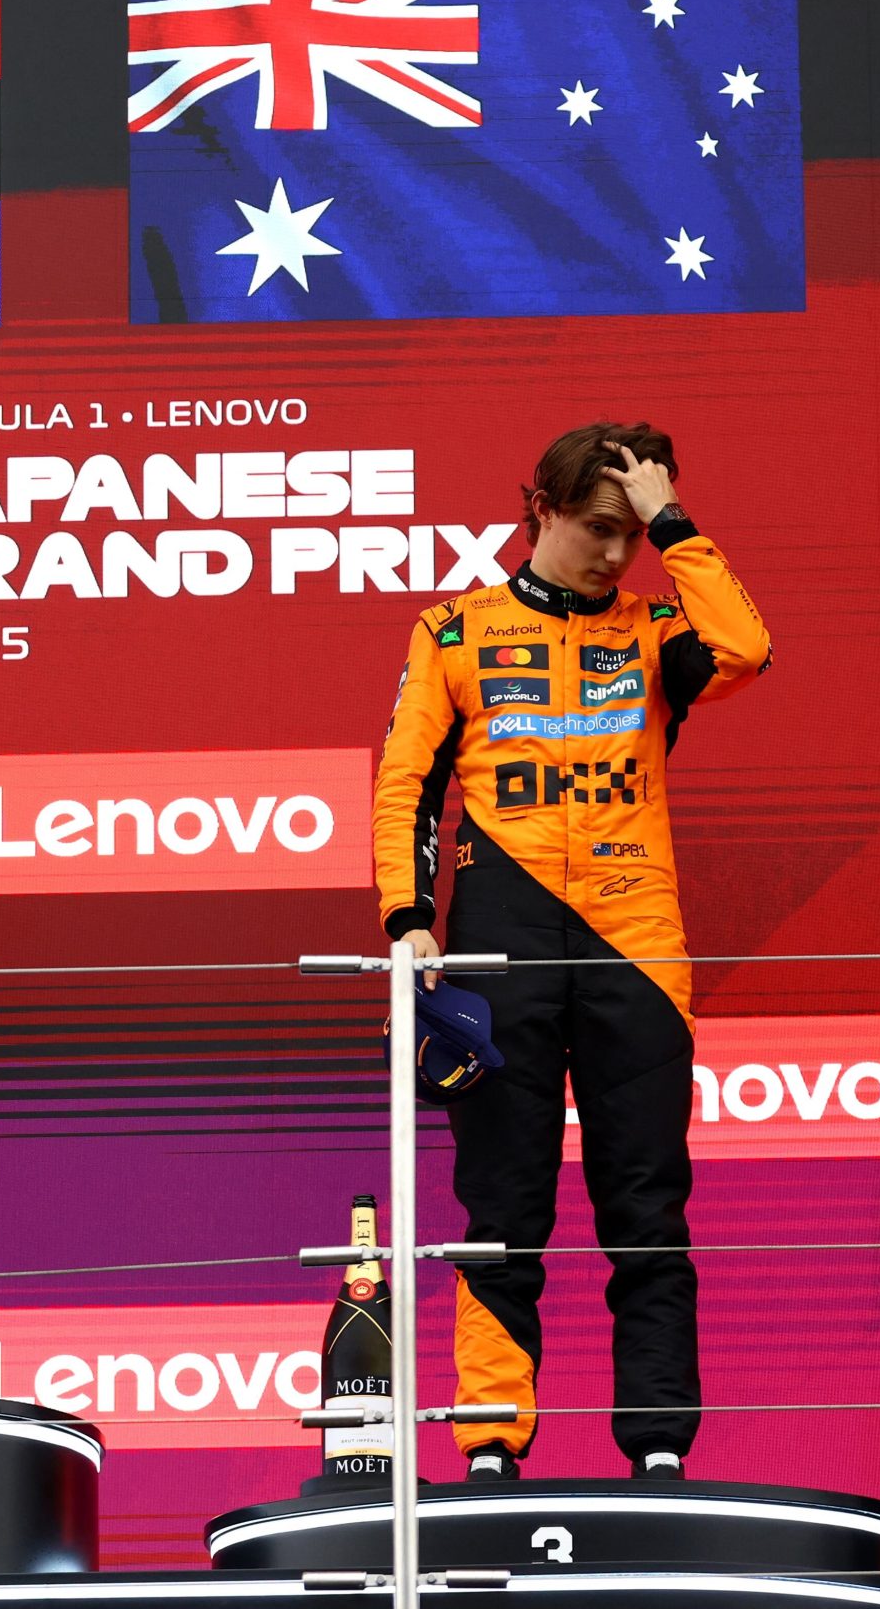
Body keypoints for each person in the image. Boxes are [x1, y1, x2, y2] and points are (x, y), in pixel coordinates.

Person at [373, 423, 769, 1482]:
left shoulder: (655, 630)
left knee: (647, 1204)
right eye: (598, 528)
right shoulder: (454, 631)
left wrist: (672, 521)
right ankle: (491, 1446)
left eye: (631, 534)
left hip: (636, 947)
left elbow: (745, 649)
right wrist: (407, 918)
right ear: (541, 508)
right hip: (498, 945)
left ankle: (658, 1450)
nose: (615, 553)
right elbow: (406, 783)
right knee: (501, 1206)